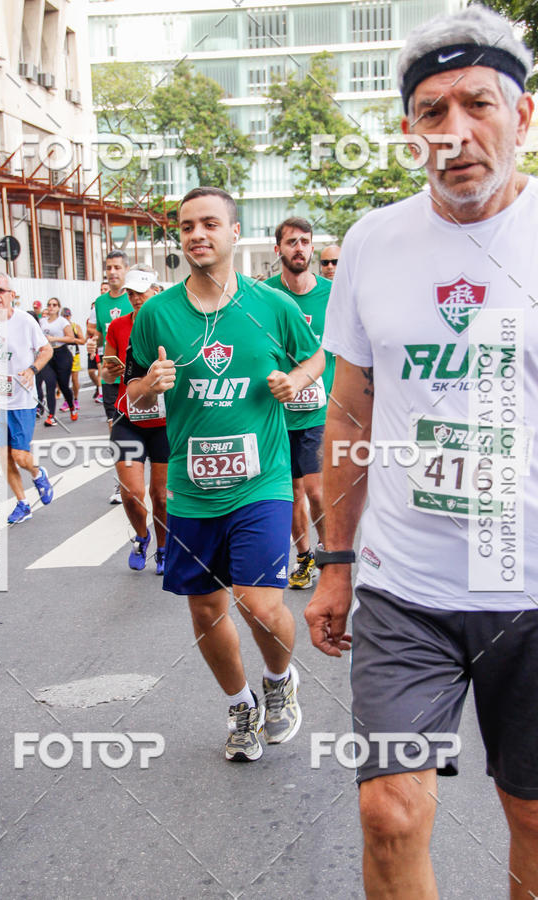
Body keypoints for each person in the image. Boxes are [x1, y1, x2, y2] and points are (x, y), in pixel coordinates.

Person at [305, 6, 538, 897]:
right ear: (411, 134)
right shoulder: (372, 241)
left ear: (523, 116)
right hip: (408, 589)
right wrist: (334, 563)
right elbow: (351, 413)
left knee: (531, 815)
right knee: (388, 811)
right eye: (432, 113)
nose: (456, 133)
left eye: (478, 103)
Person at [126, 186, 325, 762]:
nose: (196, 235)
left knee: (260, 605)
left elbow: (318, 356)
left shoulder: (273, 307)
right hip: (191, 490)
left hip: (261, 482)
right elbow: (130, 394)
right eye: (186, 226)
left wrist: (301, 380)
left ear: (235, 233)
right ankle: (241, 706)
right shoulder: (157, 314)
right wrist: (147, 387)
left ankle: (280, 681)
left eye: (210, 223)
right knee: (206, 609)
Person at [266, 218, 335, 589]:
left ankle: (327, 552)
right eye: (291, 242)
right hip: (278, 411)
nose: (299, 248)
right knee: (292, 493)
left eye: (305, 242)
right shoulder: (266, 297)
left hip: (320, 410)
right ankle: (305, 556)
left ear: (312, 247)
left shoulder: (331, 295)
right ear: (278, 249)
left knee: (316, 490)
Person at [102, 267, 168, 574]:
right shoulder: (117, 326)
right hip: (128, 419)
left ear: (157, 291)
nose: (136, 298)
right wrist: (109, 372)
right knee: (131, 492)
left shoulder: (172, 322)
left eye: (142, 291)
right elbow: (105, 369)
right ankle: (142, 537)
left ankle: (165, 549)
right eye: (130, 293)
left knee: (162, 497)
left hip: (166, 426)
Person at [0, 273, 54, 524]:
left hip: (22, 400)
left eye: (0, 290)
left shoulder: (25, 321)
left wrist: (32, 369)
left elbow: (47, 349)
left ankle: (37, 473)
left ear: (11, 295)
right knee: (4, 456)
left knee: (19, 455)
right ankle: (22, 503)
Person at [87, 254, 133, 503]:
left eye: (117, 267)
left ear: (127, 269)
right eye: (108, 268)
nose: (112, 272)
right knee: (115, 430)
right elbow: (94, 332)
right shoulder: (100, 302)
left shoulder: (136, 297)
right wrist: (92, 342)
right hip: (112, 378)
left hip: (138, 378)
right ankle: (121, 483)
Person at [38, 298, 78, 426]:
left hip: (62, 354)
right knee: (50, 383)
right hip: (48, 354)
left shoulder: (62, 321)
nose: (51, 307)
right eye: (49, 305)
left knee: (63, 385)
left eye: (54, 305)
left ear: (59, 307)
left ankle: (72, 406)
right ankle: (51, 416)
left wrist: (54, 338)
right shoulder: (42, 321)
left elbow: (71, 338)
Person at [60, 307, 86, 412]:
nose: (66, 318)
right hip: (64, 355)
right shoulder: (60, 327)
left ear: (70, 316)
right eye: (64, 316)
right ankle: (67, 400)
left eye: (68, 315)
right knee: (64, 380)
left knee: (75, 379)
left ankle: (75, 399)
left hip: (74, 355)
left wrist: (72, 339)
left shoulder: (75, 327)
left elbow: (83, 341)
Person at [86, 300, 102, 403]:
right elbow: (87, 334)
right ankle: (99, 388)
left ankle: (101, 392)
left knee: (101, 370)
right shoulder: (90, 321)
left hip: (102, 348)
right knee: (91, 371)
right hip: (95, 348)